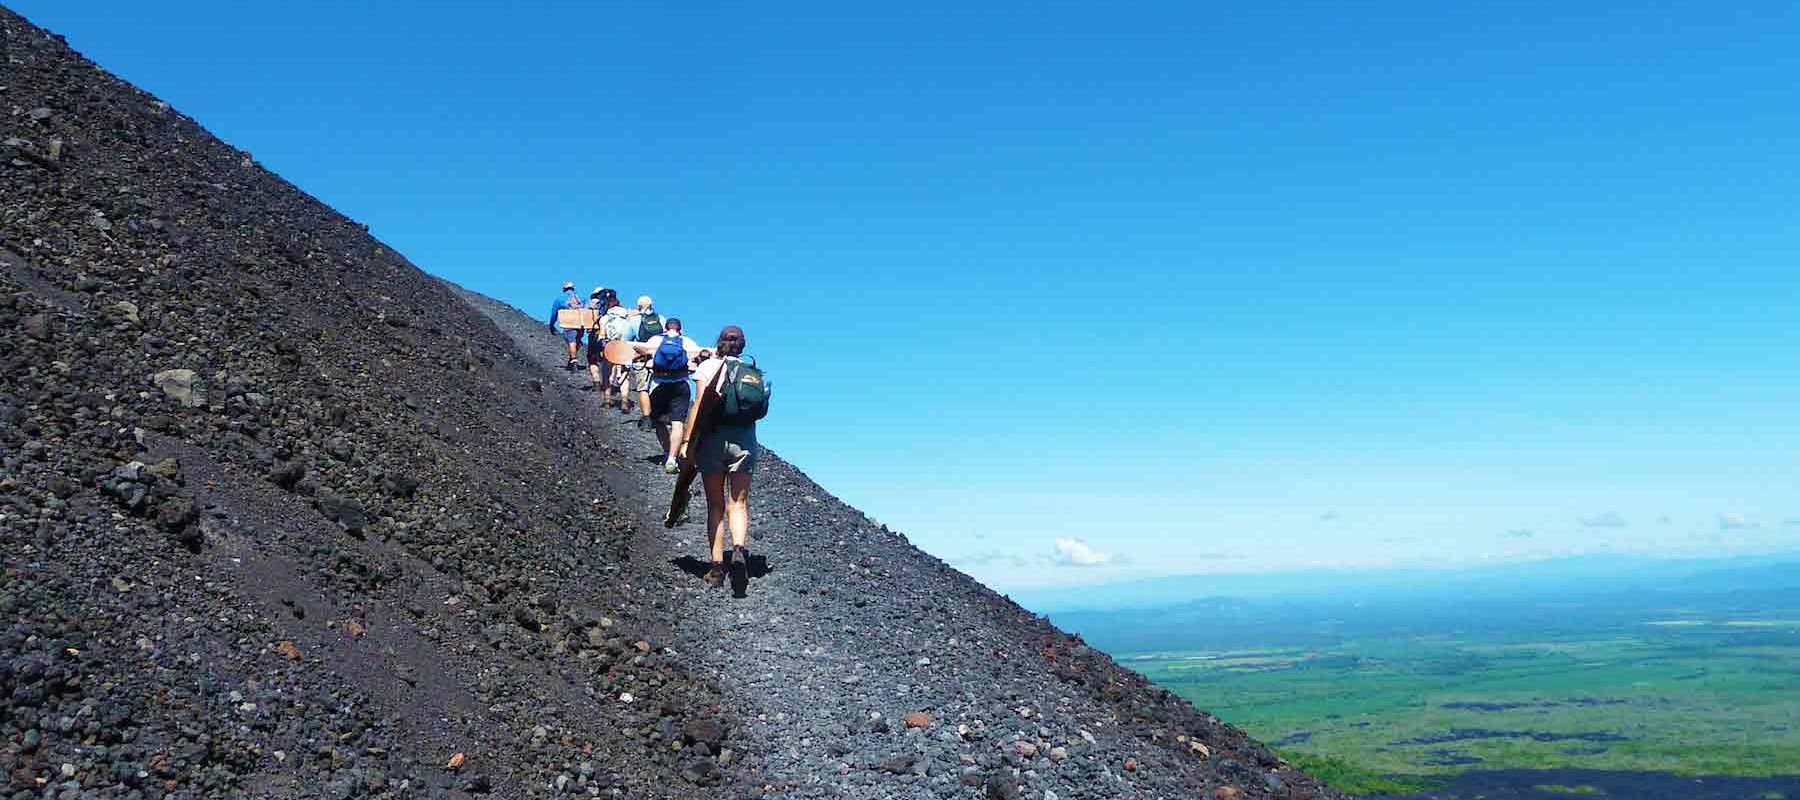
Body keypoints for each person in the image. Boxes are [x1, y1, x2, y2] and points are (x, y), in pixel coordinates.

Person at [678, 325, 770, 588]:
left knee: (716, 505)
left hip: (712, 440)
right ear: (742, 346)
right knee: (738, 503)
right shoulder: (752, 372)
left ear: (718, 343)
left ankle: (717, 567)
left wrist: (687, 441)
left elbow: (698, 405)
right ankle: (739, 549)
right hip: (744, 439)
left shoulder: (707, 368)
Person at [630, 318, 706, 474]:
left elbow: (641, 355)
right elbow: (700, 360)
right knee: (678, 423)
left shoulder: (655, 340)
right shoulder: (688, 342)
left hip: (659, 385)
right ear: (681, 330)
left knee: (658, 421)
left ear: (665, 329)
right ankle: (673, 458)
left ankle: (667, 452)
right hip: (680, 386)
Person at [601, 304, 638, 414]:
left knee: (606, 373)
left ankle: (607, 400)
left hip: (611, 348)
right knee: (624, 377)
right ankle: (624, 402)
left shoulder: (606, 320)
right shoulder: (629, 323)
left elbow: (602, 335)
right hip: (625, 349)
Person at [631, 296, 663, 421]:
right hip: (660, 357)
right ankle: (660, 414)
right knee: (659, 384)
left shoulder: (634, 320)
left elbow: (626, 338)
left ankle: (646, 418)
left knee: (643, 388)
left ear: (639, 306)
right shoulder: (661, 318)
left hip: (642, 358)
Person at [546, 281, 583, 370]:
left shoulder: (559, 299)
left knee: (571, 341)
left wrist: (551, 325)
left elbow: (554, 314)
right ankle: (571, 360)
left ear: (564, 289)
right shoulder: (581, 298)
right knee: (577, 342)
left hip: (569, 323)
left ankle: (574, 361)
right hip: (581, 323)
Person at [583, 287, 610, 393]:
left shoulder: (591, 303)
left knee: (592, 358)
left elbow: (585, 319)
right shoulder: (612, 303)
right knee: (606, 359)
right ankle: (607, 382)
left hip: (595, 334)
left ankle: (596, 381)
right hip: (608, 336)